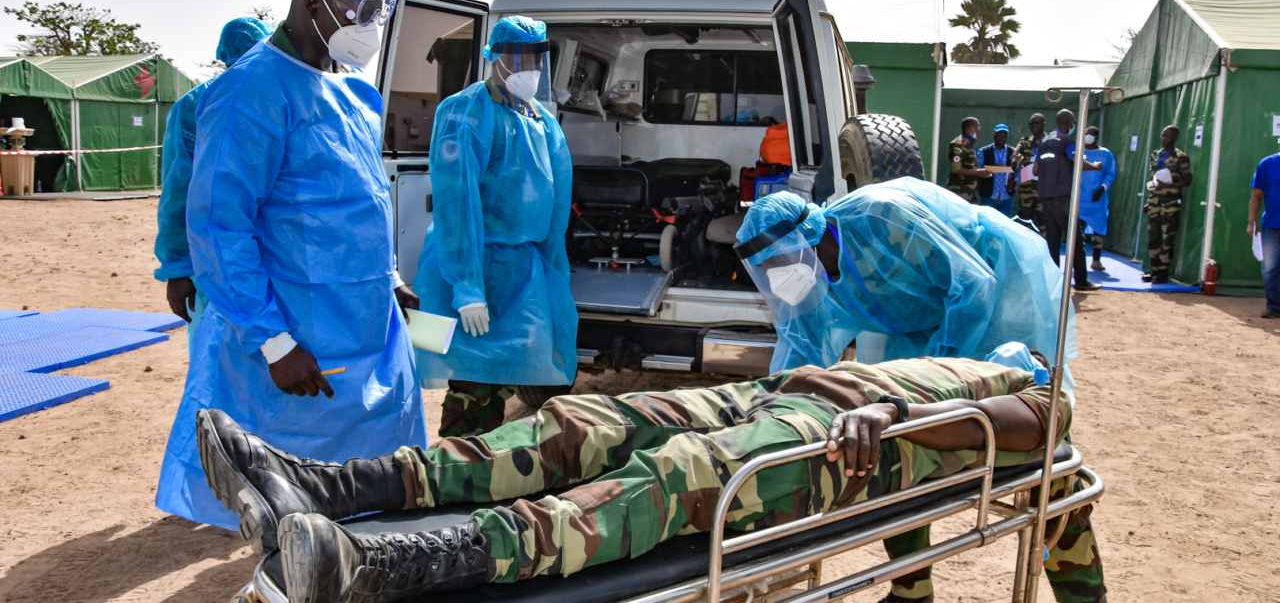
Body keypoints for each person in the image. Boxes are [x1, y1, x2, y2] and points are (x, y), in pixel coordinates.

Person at [196, 349, 1105, 603]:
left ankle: (399, 562)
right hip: (785, 392)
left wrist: (896, 416)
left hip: (839, 442)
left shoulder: (1028, 388)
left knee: (685, 477)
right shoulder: (954, 351)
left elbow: (1034, 430)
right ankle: (333, 487)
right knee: (582, 422)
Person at [156, 0, 428, 533]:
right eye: (359, 6)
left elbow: (364, 203)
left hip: (369, 332)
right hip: (304, 336)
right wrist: (275, 343)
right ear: (311, 1)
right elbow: (219, 228)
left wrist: (390, 277)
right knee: (298, 500)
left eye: (379, 9)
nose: (369, 23)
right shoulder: (250, 92)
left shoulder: (352, 92)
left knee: (377, 491)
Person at [412, 15, 576, 439]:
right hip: (472, 262)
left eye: (538, 59)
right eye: (520, 57)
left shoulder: (543, 121)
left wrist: (553, 269)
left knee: (507, 376)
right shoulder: (465, 112)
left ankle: (481, 469)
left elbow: (555, 207)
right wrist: (467, 288)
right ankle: (452, 472)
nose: (530, 69)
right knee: (471, 381)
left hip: (523, 271)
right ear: (495, 56)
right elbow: (456, 202)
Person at [736, 180, 1077, 381]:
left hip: (993, 289)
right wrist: (775, 402)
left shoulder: (882, 217)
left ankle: (1056, 480)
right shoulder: (814, 281)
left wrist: (939, 370)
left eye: (774, 263)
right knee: (909, 397)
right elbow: (799, 348)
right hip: (917, 324)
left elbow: (974, 285)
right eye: (763, 271)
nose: (773, 278)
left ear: (803, 239)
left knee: (1010, 381)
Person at [153, 17, 273, 347]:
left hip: (262, 252)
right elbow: (179, 190)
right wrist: (178, 267)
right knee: (218, 350)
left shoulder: (272, 101)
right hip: (213, 253)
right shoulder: (197, 106)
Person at [1033, 109, 1104, 292]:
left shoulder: (1044, 142)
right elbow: (1077, 162)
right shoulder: (1066, 141)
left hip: (1045, 196)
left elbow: (1035, 171)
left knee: (1053, 241)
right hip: (1062, 197)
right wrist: (1095, 166)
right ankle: (1081, 281)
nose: (1073, 126)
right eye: (1072, 122)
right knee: (1075, 240)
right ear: (1068, 123)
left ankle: (1053, 282)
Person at [1142, 125, 1193, 284]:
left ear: (1175, 138)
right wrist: (1149, 200)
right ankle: (1154, 269)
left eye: (1167, 137)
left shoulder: (1180, 157)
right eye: (1162, 136)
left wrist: (1168, 187)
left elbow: (1187, 180)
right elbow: (1154, 179)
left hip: (1170, 203)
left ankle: (1163, 271)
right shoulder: (1156, 155)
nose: (1164, 139)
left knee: (1167, 237)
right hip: (1155, 201)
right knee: (1153, 235)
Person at [1248, 137, 1280, 318]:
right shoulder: (1267, 163)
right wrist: (1251, 222)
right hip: (1272, 225)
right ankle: (1273, 306)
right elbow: (1257, 194)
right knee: (1270, 268)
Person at [1080, 126, 1117, 271]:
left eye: (1091, 134)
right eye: (1086, 133)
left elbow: (1110, 174)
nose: (1088, 136)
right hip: (1080, 199)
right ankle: (1078, 261)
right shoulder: (1078, 152)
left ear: (1096, 136)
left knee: (1099, 229)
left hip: (1097, 199)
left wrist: (1102, 188)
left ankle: (1096, 260)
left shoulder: (1105, 154)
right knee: (1077, 231)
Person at [1011, 114, 1047, 231]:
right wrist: (1016, 160)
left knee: (1044, 223)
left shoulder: (1049, 142)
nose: (1034, 126)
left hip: (1044, 189)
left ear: (1043, 124)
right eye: (1032, 123)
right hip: (1026, 189)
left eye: (1037, 123)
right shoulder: (1024, 141)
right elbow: (1015, 156)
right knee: (1025, 223)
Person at [945, 117, 989, 204]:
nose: (979, 129)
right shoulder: (959, 144)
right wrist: (978, 172)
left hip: (970, 192)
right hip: (959, 192)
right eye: (977, 126)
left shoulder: (969, 144)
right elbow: (956, 169)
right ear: (970, 129)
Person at [977, 123, 1015, 217]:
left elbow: (1018, 170)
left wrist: (1015, 181)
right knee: (987, 223)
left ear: (1007, 136)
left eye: (1004, 135)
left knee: (1004, 226)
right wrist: (992, 167)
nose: (1001, 138)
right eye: (999, 135)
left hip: (1006, 196)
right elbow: (977, 170)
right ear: (994, 135)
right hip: (989, 195)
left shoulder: (1013, 152)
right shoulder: (984, 151)